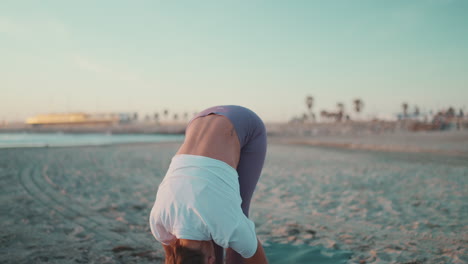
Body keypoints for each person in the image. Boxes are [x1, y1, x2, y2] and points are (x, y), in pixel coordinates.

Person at [149, 105, 269, 264]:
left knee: (239, 214)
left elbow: (254, 255)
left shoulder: (229, 224)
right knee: (222, 229)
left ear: (210, 260)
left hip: (246, 122)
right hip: (197, 121)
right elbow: (170, 258)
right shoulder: (158, 224)